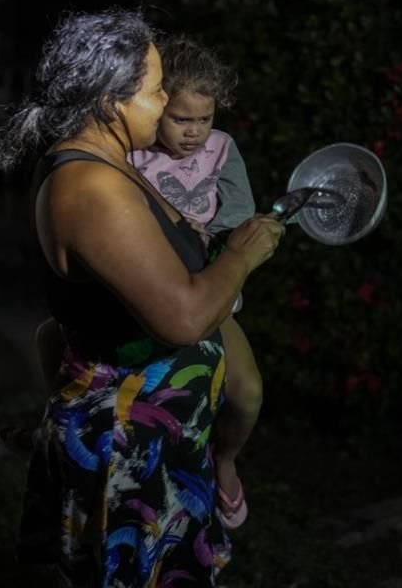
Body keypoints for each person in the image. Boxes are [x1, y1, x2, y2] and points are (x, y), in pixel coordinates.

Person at [0, 9, 284, 587]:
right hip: (134, 448)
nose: (164, 98)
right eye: (154, 90)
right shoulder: (92, 188)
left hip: (162, 436)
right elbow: (185, 318)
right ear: (109, 101)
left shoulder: (108, 163)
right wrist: (240, 256)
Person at [128, 35, 261, 532]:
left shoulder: (222, 149)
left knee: (247, 393)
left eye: (203, 120)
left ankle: (225, 460)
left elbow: (240, 213)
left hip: (213, 299)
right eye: (182, 119)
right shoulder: (135, 155)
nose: (194, 133)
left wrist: (222, 237)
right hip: (153, 299)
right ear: (159, 107)